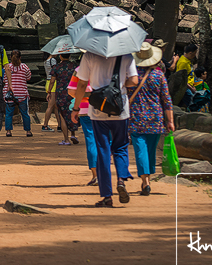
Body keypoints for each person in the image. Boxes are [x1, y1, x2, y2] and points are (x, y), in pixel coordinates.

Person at [70, 51, 139, 208]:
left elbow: (81, 84)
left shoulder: (90, 55)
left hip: (98, 109)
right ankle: (121, 179)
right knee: (121, 146)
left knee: (103, 150)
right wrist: (120, 84)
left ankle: (107, 195)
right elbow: (134, 80)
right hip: (120, 108)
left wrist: (76, 108)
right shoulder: (126, 55)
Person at [128, 42, 174, 196]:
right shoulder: (159, 75)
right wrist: (171, 121)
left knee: (140, 150)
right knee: (150, 150)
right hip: (156, 118)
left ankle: (145, 181)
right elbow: (166, 100)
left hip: (136, 118)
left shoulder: (132, 76)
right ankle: (148, 178)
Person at [67, 74, 97, 185]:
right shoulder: (107, 65)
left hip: (85, 108)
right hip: (104, 108)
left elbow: (71, 91)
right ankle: (105, 172)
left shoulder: (80, 70)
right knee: (105, 140)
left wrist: (82, 96)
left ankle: (95, 175)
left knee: (91, 140)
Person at [50, 53, 78, 145]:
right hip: (73, 92)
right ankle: (73, 134)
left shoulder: (56, 67)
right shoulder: (74, 66)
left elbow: (52, 81)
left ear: (60, 56)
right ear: (69, 56)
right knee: (72, 112)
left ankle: (66, 139)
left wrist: (49, 91)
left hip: (61, 93)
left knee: (62, 115)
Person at [4, 49, 32, 137]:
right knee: (25, 113)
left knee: (9, 113)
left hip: (10, 94)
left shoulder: (7, 68)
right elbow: (28, 77)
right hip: (22, 93)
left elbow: (5, 80)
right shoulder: (24, 67)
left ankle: (8, 131)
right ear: (20, 57)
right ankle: (28, 131)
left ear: (10, 57)